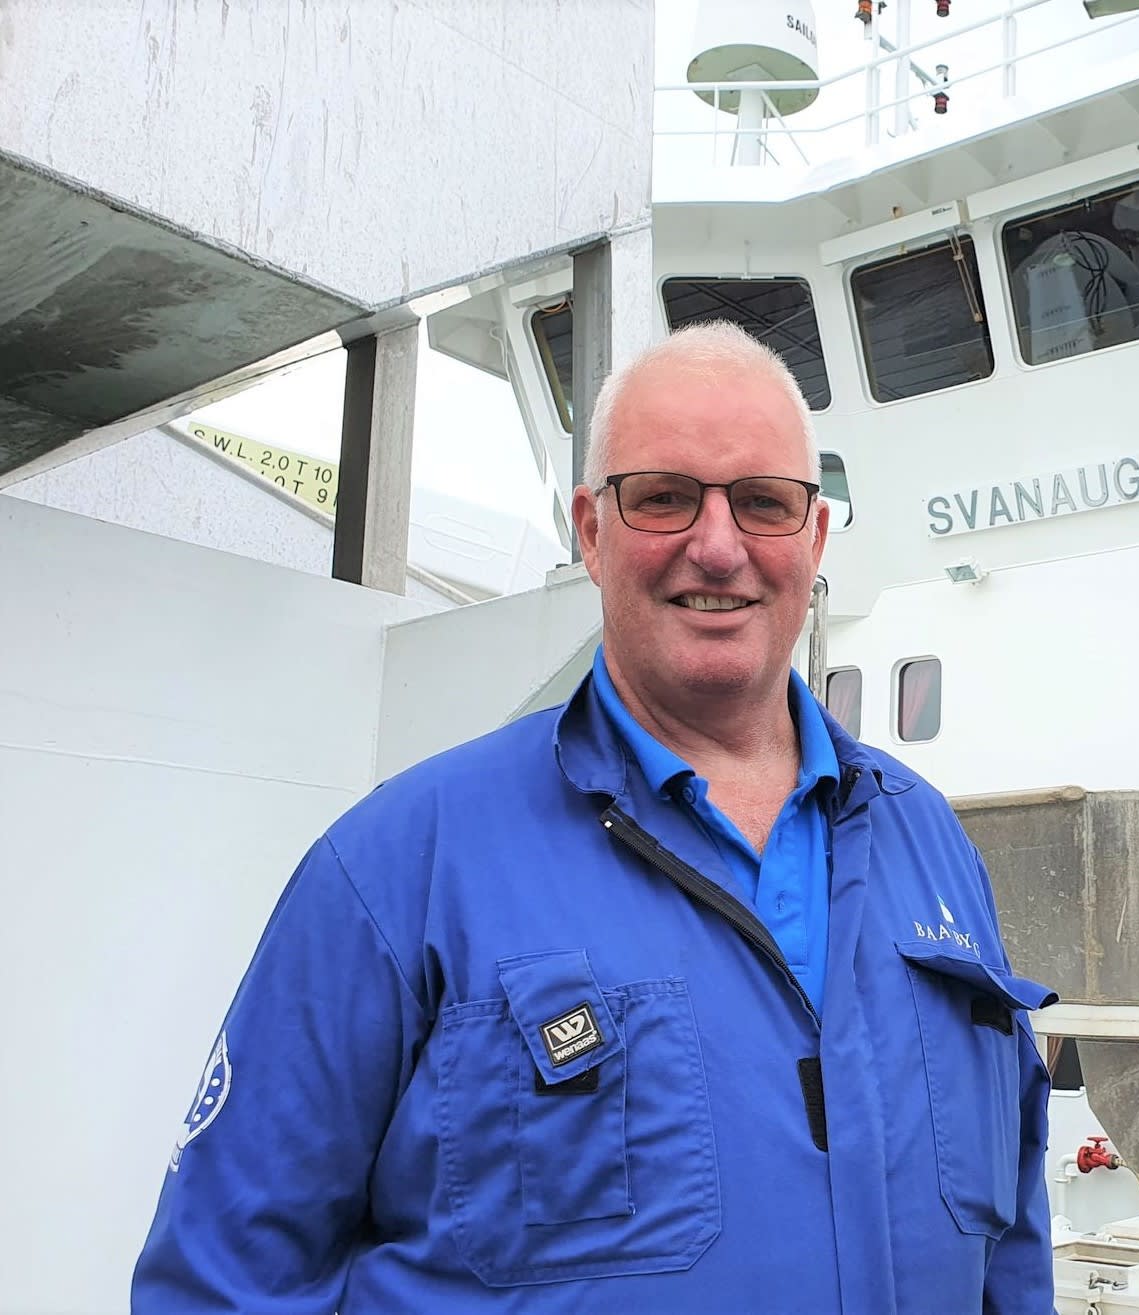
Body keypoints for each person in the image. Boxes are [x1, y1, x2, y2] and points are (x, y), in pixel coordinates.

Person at [131, 321, 1057, 1313]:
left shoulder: (932, 847)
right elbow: (220, 1286)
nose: (718, 546)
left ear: (815, 535)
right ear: (590, 530)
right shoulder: (398, 870)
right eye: (663, 497)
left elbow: (1011, 1252)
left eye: (763, 502)